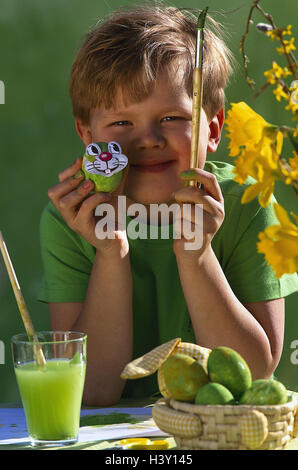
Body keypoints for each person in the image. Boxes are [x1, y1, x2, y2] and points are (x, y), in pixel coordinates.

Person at [39, 2, 297, 405]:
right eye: (122, 123)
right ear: (87, 136)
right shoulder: (72, 219)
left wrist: (197, 254)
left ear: (212, 129)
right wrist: (111, 252)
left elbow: (254, 373)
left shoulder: (248, 202)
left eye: (173, 118)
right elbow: (92, 392)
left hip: (213, 433)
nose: (148, 139)